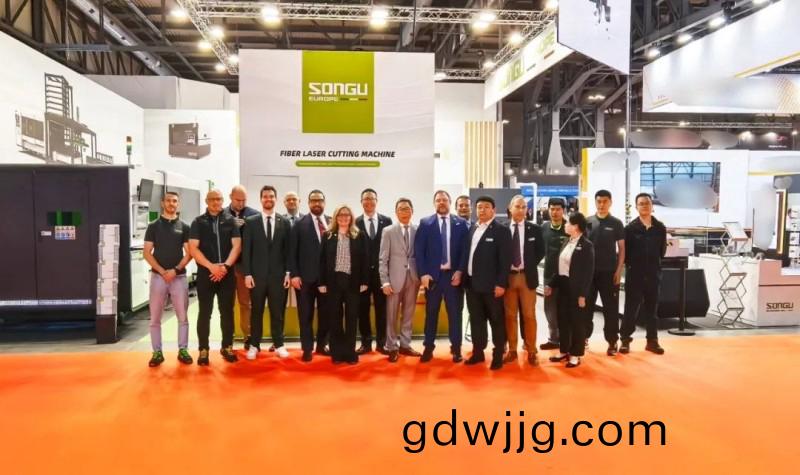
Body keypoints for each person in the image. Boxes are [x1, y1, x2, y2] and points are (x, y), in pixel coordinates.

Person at [414, 190, 470, 363]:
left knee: (455, 314)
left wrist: (460, 271)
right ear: (434, 203)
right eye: (438, 200)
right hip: (433, 278)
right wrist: (423, 274)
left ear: (450, 202)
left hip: (453, 277)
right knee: (431, 313)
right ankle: (428, 347)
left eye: (444, 200)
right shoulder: (425, 223)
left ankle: (456, 348)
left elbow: (465, 251)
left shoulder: (461, 223)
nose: (441, 202)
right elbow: (419, 251)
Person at [189, 189, 242, 365]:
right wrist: (211, 267)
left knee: (227, 312)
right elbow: (193, 248)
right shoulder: (198, 222)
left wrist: (225, 267)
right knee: (205, 312)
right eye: (212, 199)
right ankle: (203, 349)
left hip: (227, 273)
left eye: (219, 199)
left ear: (223, 200)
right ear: (206, 201)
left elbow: (237, 246)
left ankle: (227, 346)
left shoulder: (230, 220)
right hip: (206, 273)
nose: (216, 202)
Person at [143, 191, 193, 367]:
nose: (172, 204)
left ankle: (183, 350)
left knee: (182, 317)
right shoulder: (153, 226)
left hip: (179, 277)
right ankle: (157, 352)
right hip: (158, 277)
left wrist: (175, 270)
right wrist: (162, 271)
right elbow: (147, 252)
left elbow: (189, 253)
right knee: (155, 318)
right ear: (163, 203)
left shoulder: (184, 227)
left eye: (175, 201)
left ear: (178, 204)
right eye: (169, 201)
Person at [242, 185, 291, 360]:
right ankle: (254, 345)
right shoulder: (251, 222)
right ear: (261, 199)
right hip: (257, 277)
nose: (268, 199)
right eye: (265, 196)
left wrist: (288, 273)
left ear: (275, 199)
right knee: (256, 312)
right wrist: (247, 274)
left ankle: (279, 344)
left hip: (278, 277)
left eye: (271, 196)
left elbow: (288, 250)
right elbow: (246, 250)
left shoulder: (284, 222)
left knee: (277, 312)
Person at [464, 196, 512, 370]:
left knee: (496, 321)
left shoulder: (501, 230)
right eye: (479, 207)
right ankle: (478, 352)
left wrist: (501, 284)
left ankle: (498, 354)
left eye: (486, 207)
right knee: (476, 320)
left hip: (492, 287)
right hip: (472, 284)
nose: (482, 210)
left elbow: (505, 260)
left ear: (493, 210)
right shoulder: (473, 228)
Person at [318, 205, 369, 365]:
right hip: (333, 281)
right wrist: (322, 282)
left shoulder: (359, 235)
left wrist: (364, 281)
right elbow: (322, 260)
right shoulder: (327, 235)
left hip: (353, 281)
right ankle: (337, 353)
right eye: (340, 215)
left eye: (347, 215)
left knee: (352, 318)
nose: (344, 217)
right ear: (335, 217)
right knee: (335, 318)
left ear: (351, 217)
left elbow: (365, 260)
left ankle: (350, 353)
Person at [620, 193, 667, 355]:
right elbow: (626, 253)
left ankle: (652, 341)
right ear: (636, 207)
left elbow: (662, 251)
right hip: (635, 275)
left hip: (653, 274)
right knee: (630, 309)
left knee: (652, 310)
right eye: (641, 204)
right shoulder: (630, 229)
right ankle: (625, 340)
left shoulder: (660, 228)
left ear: (652, 206)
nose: (644, 206)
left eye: (647, 203)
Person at [547, 212, 594, 368]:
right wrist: (551, 284)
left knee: (576, 323)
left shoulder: (587, 245)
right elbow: (560, 267)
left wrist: (583, 295)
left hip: (577, 289)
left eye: (568, 223)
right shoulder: (566, 241)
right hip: (563, 286)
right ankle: (564, 350)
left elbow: (588, 272)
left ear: (576, 226)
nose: (565, 225)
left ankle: (576, 354)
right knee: (563, 320)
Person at [289, 190, 332, 362]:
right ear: (308, 203)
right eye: (313, 200)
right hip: (305, 279)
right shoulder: (299, 224)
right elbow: (292, 252)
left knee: (326, 314)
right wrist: (294, 275)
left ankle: (322, 344)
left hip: (327, 279)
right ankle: (307, 348)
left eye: (320, 200)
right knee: (305, 315)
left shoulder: (332, 222)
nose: (317, 203)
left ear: (324, 202)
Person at [503, 195, 545, 366]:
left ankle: (531, 350)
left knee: (529, 315)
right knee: (510, 316)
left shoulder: (535, 229)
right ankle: (512, 350)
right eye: (517, 206)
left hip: (527, 277)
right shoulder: (502, 229)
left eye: (524, 207)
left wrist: (528, 264)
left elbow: (541, 251)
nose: (521, 210)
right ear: (510, 208)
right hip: (508, 278)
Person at [379, 198, 421, 362]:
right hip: (394, 279)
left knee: (408, 313)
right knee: (392, 315)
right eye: (401, 209)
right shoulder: (388, 231)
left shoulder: (418, 230)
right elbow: (383, 259)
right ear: (396, 212)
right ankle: (391, 346)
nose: (404, 212)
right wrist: (385, 281)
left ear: (412, 211)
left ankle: (405, 344)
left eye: (407, 209)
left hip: (413, 278)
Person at [586, 190, 625, 356]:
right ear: (595, 202)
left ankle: (612, 341)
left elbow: (622, 248)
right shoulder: (587, 222)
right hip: (589, 274)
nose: (601, 204)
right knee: (586, 308)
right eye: (599, 201)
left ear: (610, 202)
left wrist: (619, 270)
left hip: (609, 273)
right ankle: (584, 338)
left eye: (605, 201)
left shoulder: (616, 223)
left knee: (611, 309)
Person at [355, 188, 393, 354]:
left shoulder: (387, 221)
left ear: (377, 201)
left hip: (381, 274)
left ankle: (381, 343)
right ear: (361, 202)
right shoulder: (355, 222)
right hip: (361, 275)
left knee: (382, 309)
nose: (369, 201)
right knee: (362, 310)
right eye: (366, 199)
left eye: (372, 198)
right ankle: (365, 343)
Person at [226, 185, 259, 350]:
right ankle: (228, 338)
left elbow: (258, 242)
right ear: (230, 197)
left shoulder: (254, 215)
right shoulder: (222, 215)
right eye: (238, 200)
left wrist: (246, 226)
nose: (241, 203)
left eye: (244, 200)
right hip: (225, 267)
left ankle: (248, 337)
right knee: (226, 305)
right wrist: (230, 225)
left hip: (244, 267)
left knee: (246, 304)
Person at [539, 198, 568, 351]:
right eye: (552, 209)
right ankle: (553, 339)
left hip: (566, 277)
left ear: (563, 210)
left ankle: (567, 340)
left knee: (565, 309)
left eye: (558, 209)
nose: (555, 212)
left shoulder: (569, 228)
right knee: (549, 309)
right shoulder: (543, 228)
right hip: (548, 275)